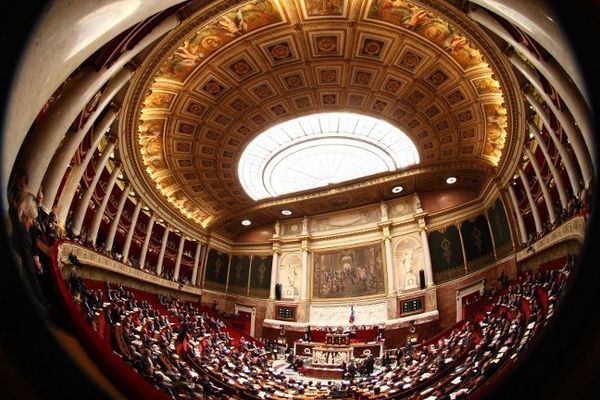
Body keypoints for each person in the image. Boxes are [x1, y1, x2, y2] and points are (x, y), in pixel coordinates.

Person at [13, 192, 47, 307]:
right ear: (25, 215)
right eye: (31, 219)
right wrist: (41, 298)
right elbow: (30, 272)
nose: (32, 222)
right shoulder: (24, 234)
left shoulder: (19, 226)